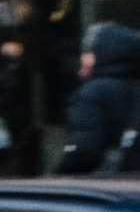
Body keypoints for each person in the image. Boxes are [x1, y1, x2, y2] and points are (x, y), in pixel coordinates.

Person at [53, 23, 140, 175]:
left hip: (105, 190)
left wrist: (60, 176)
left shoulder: (92, 94)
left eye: (88, 52)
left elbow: (83, 150)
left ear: (101, 54)